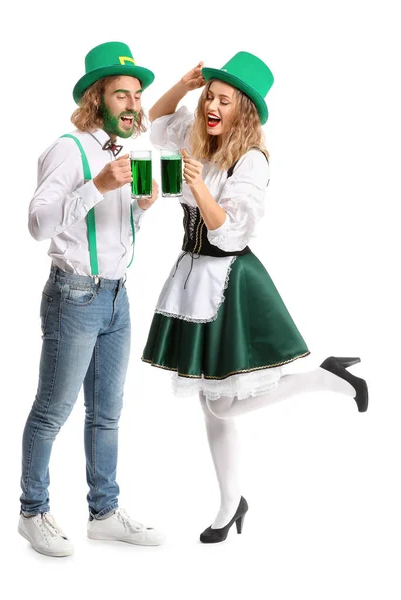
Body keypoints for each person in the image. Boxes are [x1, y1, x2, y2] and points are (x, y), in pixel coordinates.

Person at [142, 52, 368, 543]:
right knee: (210, 401)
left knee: (221, 405)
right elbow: (155, 122)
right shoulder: (197, 137)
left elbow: (233, 233)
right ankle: (229, 503)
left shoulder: (251, 161)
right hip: (192, 276)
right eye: (210, 98)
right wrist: (183, 84)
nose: (212, 107)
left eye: (224, 100)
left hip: (228, 282)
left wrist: (198, 186)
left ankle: (324, 379)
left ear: (244, 109)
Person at [19, 41, 165, 557]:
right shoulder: (69, 148)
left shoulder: (119, 153)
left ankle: (104, 513)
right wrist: (97, 185)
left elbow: (109, 230)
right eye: (122, 94)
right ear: (96, 99)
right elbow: (38, 224)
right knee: (52, 411)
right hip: (74, 297)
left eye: (138, 94)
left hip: (117, 298)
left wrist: (140, 207)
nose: (133, 104)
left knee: (107, 414)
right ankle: (32, 511)